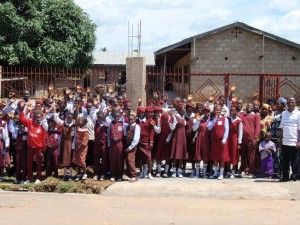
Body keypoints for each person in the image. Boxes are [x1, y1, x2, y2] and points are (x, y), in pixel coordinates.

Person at [19, 101, 47, 184]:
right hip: (30, 147)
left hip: (39, 148)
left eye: (40, 117)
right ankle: (29, 177)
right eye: (37, 117)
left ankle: (38, 177)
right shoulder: (30, 122)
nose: (38, 119)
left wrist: (43, 150)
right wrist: (22, 109)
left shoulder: (42, 127)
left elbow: (44, 139)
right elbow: (22, 118)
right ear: (34, 117)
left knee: (39, 163)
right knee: (29, 163)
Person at [278, 97, 300, 182]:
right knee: (285, 161)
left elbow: (299, 128)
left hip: (294, 141)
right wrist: (280, 139)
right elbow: (282, 127)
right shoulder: (284, 113)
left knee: (295, 161)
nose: (290, 103)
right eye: (289, 102)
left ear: (295, 103)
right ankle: (285, 177)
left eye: (292, 102)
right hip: (285, 141)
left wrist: (299, 141)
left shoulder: (298, 114)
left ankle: (294, 176)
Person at [207, 105, 230, 180]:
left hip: (222, 141)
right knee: (215, 157)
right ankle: (215, 172)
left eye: (219, 110)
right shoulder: (212, 119)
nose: (218, 111)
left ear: (221, 111)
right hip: (215, 141)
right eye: (216, 110)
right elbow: (209, 128)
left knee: (222, 157)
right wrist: (215, 120)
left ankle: (221, 173)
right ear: (214, 111)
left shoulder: (225, 119)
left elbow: (226, 130)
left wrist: (224, 139)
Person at [240, 103, 260, 178]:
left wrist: (255, 138)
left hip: (251, 138)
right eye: (248, 106)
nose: (249, 107)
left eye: (250, 106)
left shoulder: (256, 116)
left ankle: (251, 171)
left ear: (253, 108)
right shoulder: (243, 115)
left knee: (251, 156)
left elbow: (257, 128)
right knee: (243, 155)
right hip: (243, 138)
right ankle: (243, 169)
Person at [169, 103, 188, 178]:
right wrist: (173, 120)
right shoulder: (175, 117)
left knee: (181, 155)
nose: (185, 110)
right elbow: (172, 128)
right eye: (184, 108)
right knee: (175, 155)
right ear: (179, 109)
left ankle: (179, 171)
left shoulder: (184, 117)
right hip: (176, 137)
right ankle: (174, 171)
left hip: (182, 137)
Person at [192, 105, 211, 178]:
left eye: (207, 112)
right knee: (198, 155)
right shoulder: (200, 119)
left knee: (205, 156)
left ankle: (204, 173)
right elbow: (194, 129)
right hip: (200, 138)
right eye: (204, 112)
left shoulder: (210, 120)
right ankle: (197, 173)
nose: (206, 113)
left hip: (206, 139)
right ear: (203, 112)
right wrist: (198, 121)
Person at [227, 106, 243, 179]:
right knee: (227, 155)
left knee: (234, 155)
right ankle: (227, 171)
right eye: (231, 111)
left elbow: (240, 132)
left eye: (234, 111)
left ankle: (233, 171)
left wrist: (239, 142)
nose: (232, 112)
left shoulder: (239, 121)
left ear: (236, 112)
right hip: (228, 139)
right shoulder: (228, 119)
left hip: (234, 140)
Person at [93, 111, 109, 181]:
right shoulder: (95, 122)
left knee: (104, 159)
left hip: (103, 144)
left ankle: (103, 174)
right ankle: (96, 173)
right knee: (96, 159)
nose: (100, 118)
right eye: (98, 117)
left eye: (101, 117)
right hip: (96, 143)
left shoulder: (106, 123)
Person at [125, 114, 140, 182]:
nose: (130, 121)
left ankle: (135, 175)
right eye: (129, 119)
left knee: (130, 159)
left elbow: (136, 139)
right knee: (127, 160)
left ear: (135, 119)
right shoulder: (128, 126)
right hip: (127, 145)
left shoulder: (136, 127)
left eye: (132, 119)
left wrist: (130, 147)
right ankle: (130, 175)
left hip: (132, 146)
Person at [0, 110, 10, 182]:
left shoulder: (4, 124)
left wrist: (6, 144)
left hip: (1, 143)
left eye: (1, 115)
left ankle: (1, 175)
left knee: (2, 159)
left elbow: (6, 135)